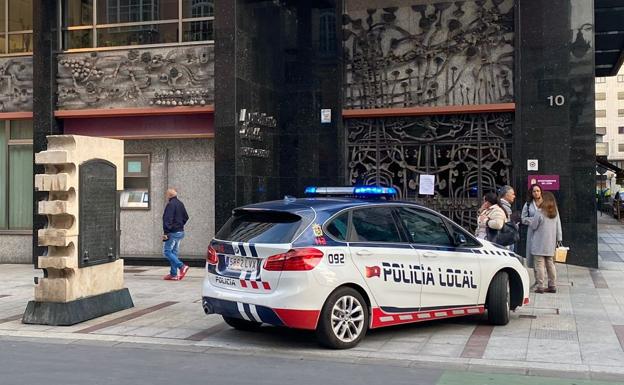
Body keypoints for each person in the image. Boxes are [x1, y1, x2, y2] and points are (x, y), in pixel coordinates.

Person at [528, 191, 562, 294]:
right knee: (550, 264)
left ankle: (540, 286)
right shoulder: (555, 212)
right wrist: (559, 239)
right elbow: (558, 226)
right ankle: (552, 285)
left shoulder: (540, 211)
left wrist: (530, 221)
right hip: (551, 242)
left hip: (539, 243)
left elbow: (534, 226)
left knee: (539, 265)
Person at [162, 188, 190, 281]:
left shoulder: (170, 205)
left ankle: (182, 266)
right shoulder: (180, 203)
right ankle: (173, 274)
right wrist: (180, 225)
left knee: (167, 251)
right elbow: (186, 217)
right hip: (180, 232)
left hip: (172, 232)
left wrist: (166, 232)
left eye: (166, 194)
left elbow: (167, 219)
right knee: (174, 253)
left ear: (169, 196)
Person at [521, 184, 543, 271]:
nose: (536, 193)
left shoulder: (546, 202)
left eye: (538, 191)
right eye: (534, 191)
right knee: (534, 256)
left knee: (544, 257)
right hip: (533, 231)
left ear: (541, 192)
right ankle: (537, 278)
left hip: (545, 232)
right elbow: (523, 218)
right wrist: (533, 220)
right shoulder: (528, 204)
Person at [498, 185, 518, 250]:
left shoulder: (502, 205)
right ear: (506, 195)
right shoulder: (504, 207)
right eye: (512, 194)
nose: (514, 196)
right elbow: (507, 225)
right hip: (505, 239)